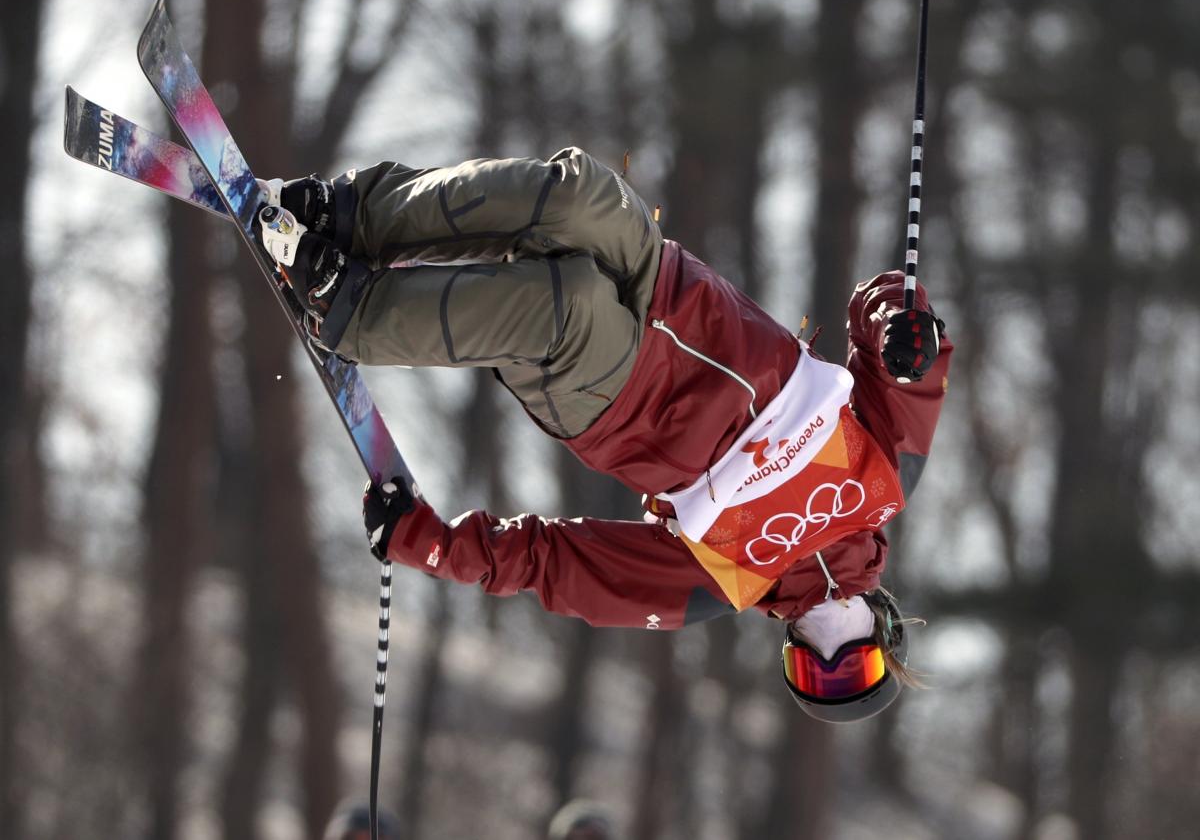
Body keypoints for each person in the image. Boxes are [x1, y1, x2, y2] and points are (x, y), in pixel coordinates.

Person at [257, 146, 952, 723]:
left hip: (620, 398)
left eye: (813, 673)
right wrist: (904, 327)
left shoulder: (723, 583)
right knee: (580, 196)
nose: (829, 655)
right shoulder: (892, 472)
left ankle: (351, 309)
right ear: (885, 630)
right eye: (852, 667)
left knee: (568, 304)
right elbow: (896, 324)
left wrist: (429, 541)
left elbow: (560, 565)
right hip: (670, 287)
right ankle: (351, 213)